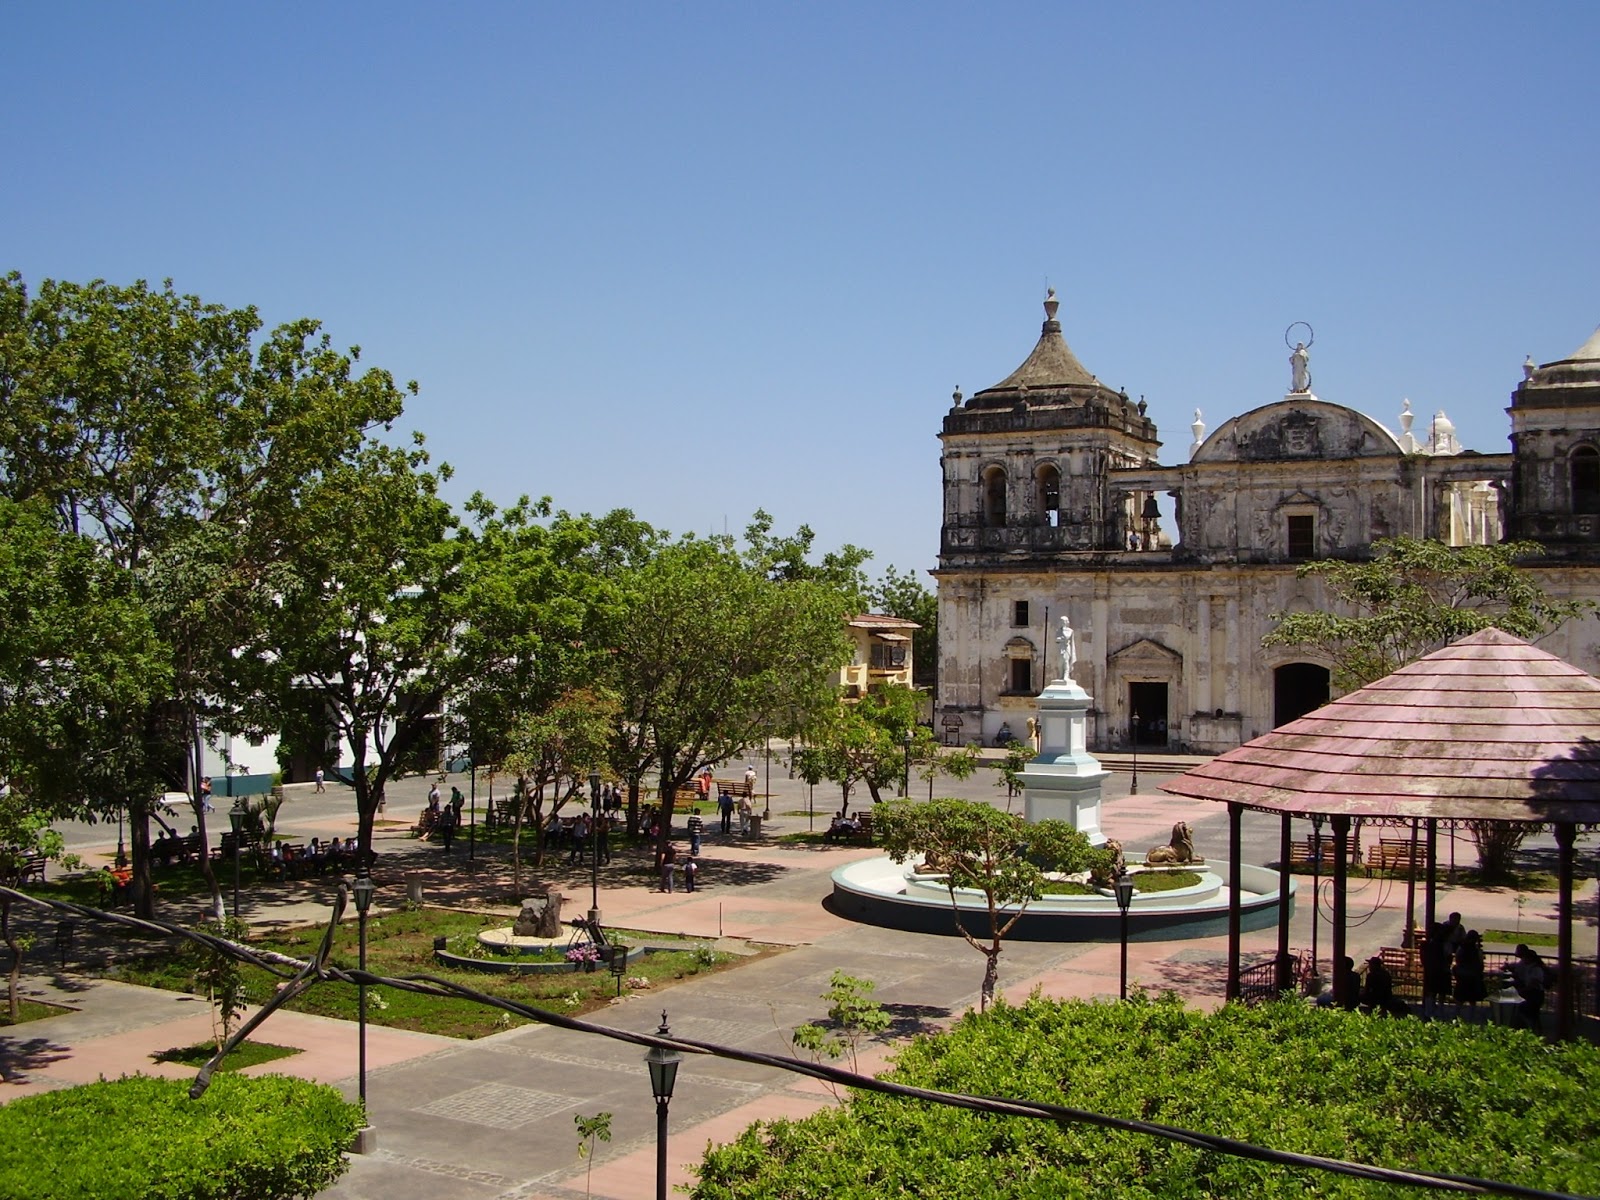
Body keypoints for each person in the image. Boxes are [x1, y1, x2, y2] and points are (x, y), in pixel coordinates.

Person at [1511, 944, 1549, 1032]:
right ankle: (1523, 1026)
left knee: (1525, 1010)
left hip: (1535, 996)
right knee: (1520, 1007)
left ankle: (1528, 1028)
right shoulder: (1530, 968)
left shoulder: (1536, 969)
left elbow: (1532, 985)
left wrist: (1521, 990)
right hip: (1532, 994)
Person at [1452, 929, 1489, 1014]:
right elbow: (1480, 963)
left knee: (1460, 999)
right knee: (1472, 999)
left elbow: (1457, 959)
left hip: (1462, 976)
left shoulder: (1461, 948)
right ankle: (1471, 1016)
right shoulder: (1476, 950)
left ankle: (1456, 1015)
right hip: (1473, 976)